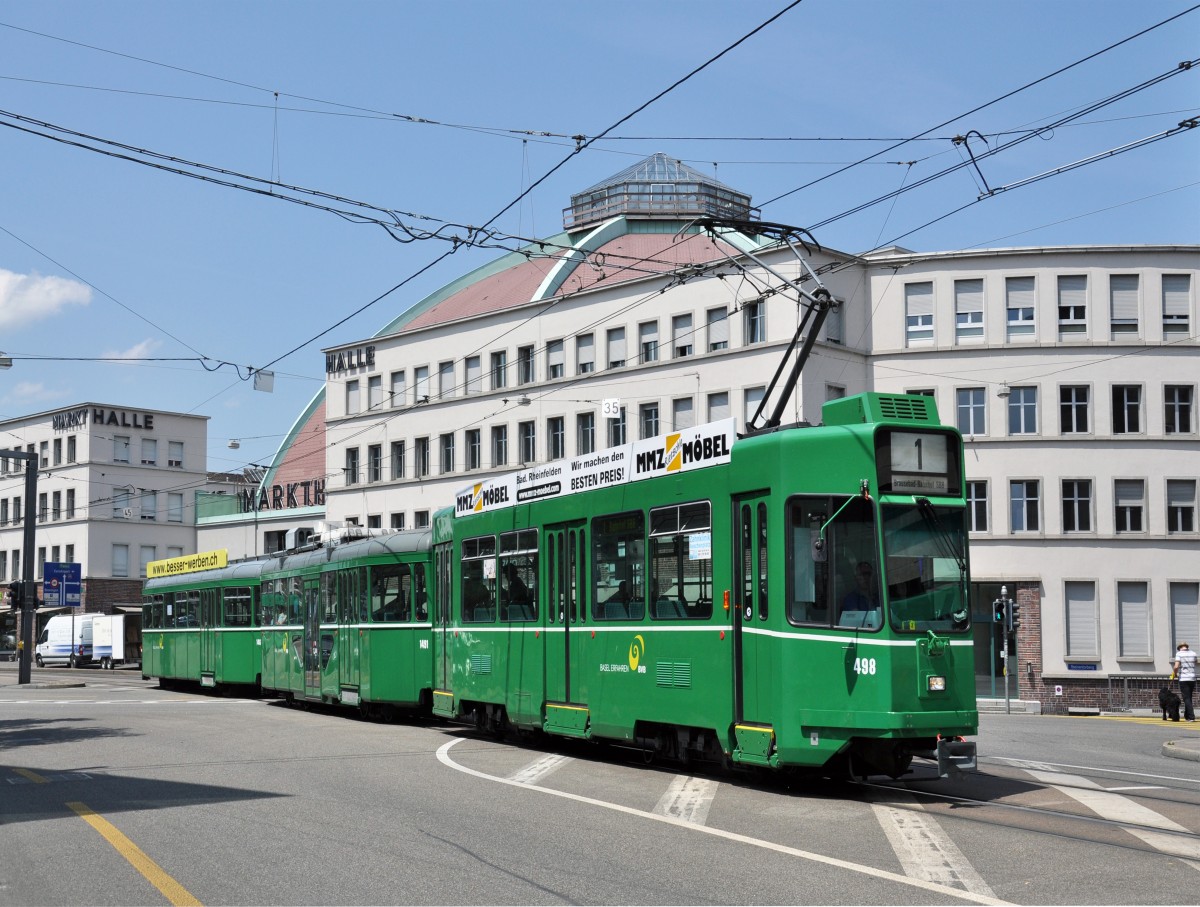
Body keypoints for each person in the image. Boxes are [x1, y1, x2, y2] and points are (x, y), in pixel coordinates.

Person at [839, 561, 880, 628]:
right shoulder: (850, 599)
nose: (866, 577)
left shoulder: (878, 598)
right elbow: (858, 622)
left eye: (868, 574)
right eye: (862, 574)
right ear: (856, 577)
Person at [1173, 642, 1197, 722]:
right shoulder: (1193, 653)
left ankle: (1191, 717)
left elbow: (1176, 666)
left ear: (1180, 647)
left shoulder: (1179, 654)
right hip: (1192, 678)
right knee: (1189, 697)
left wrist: (1175, 674)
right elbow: (1195, 662)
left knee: (1186, 698)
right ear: (1186, 646)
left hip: (1184, 678)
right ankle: (1187, 716)